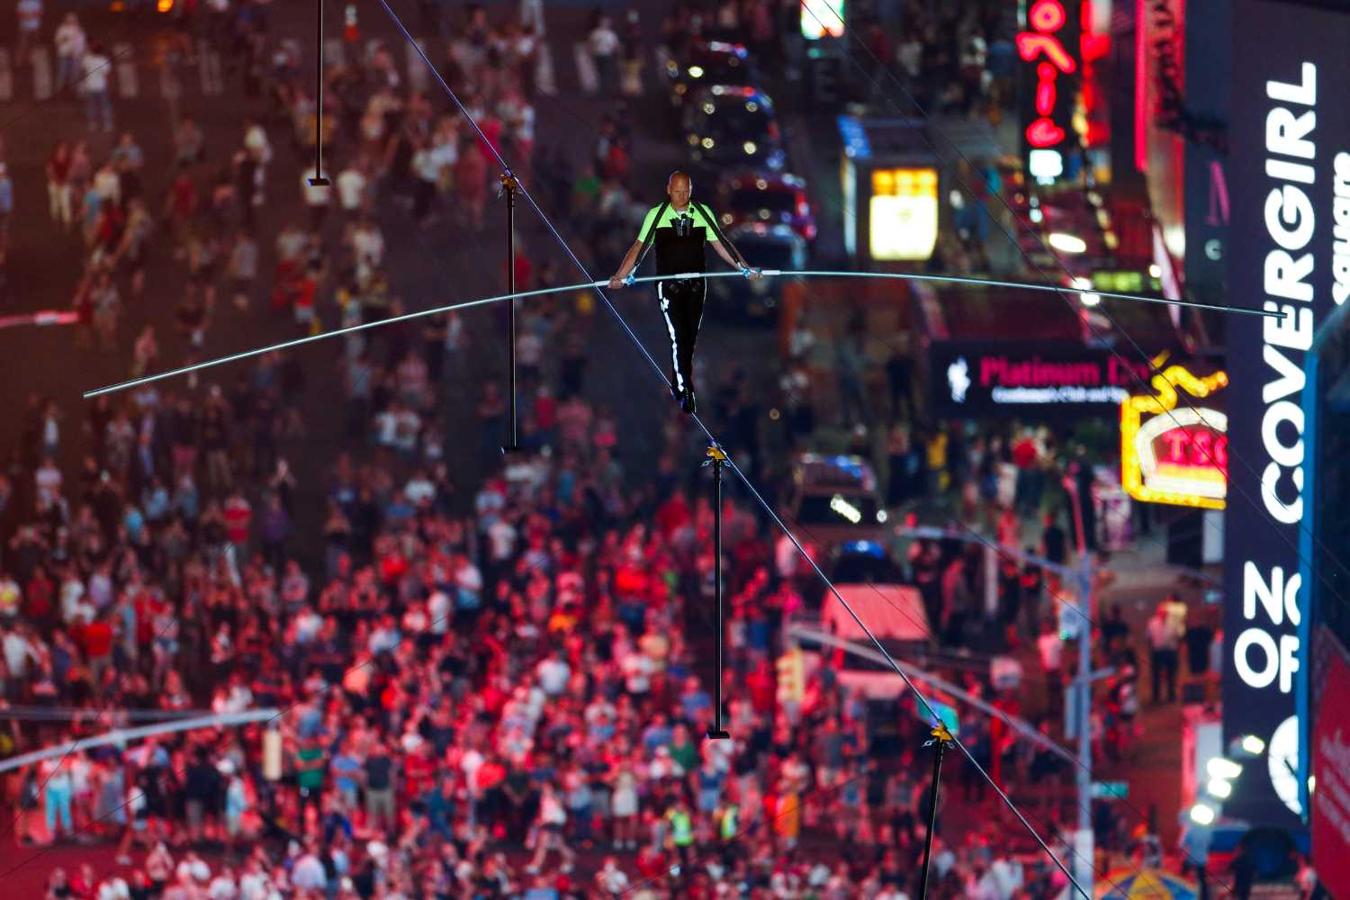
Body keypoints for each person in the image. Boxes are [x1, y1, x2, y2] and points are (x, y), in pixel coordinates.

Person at [607, 170, 760, 414]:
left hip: (697, 286)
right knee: (679, 335)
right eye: (677, 191)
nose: (681, 196)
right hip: (669, 286)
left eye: (686, 191)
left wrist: (744, 267)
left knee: (689, 336)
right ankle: (683, 386)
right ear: (668, 190)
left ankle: (682, 381)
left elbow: (721, 243)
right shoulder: (656, 215)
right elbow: (640, 247)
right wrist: (622, 275)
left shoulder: (702, 213)